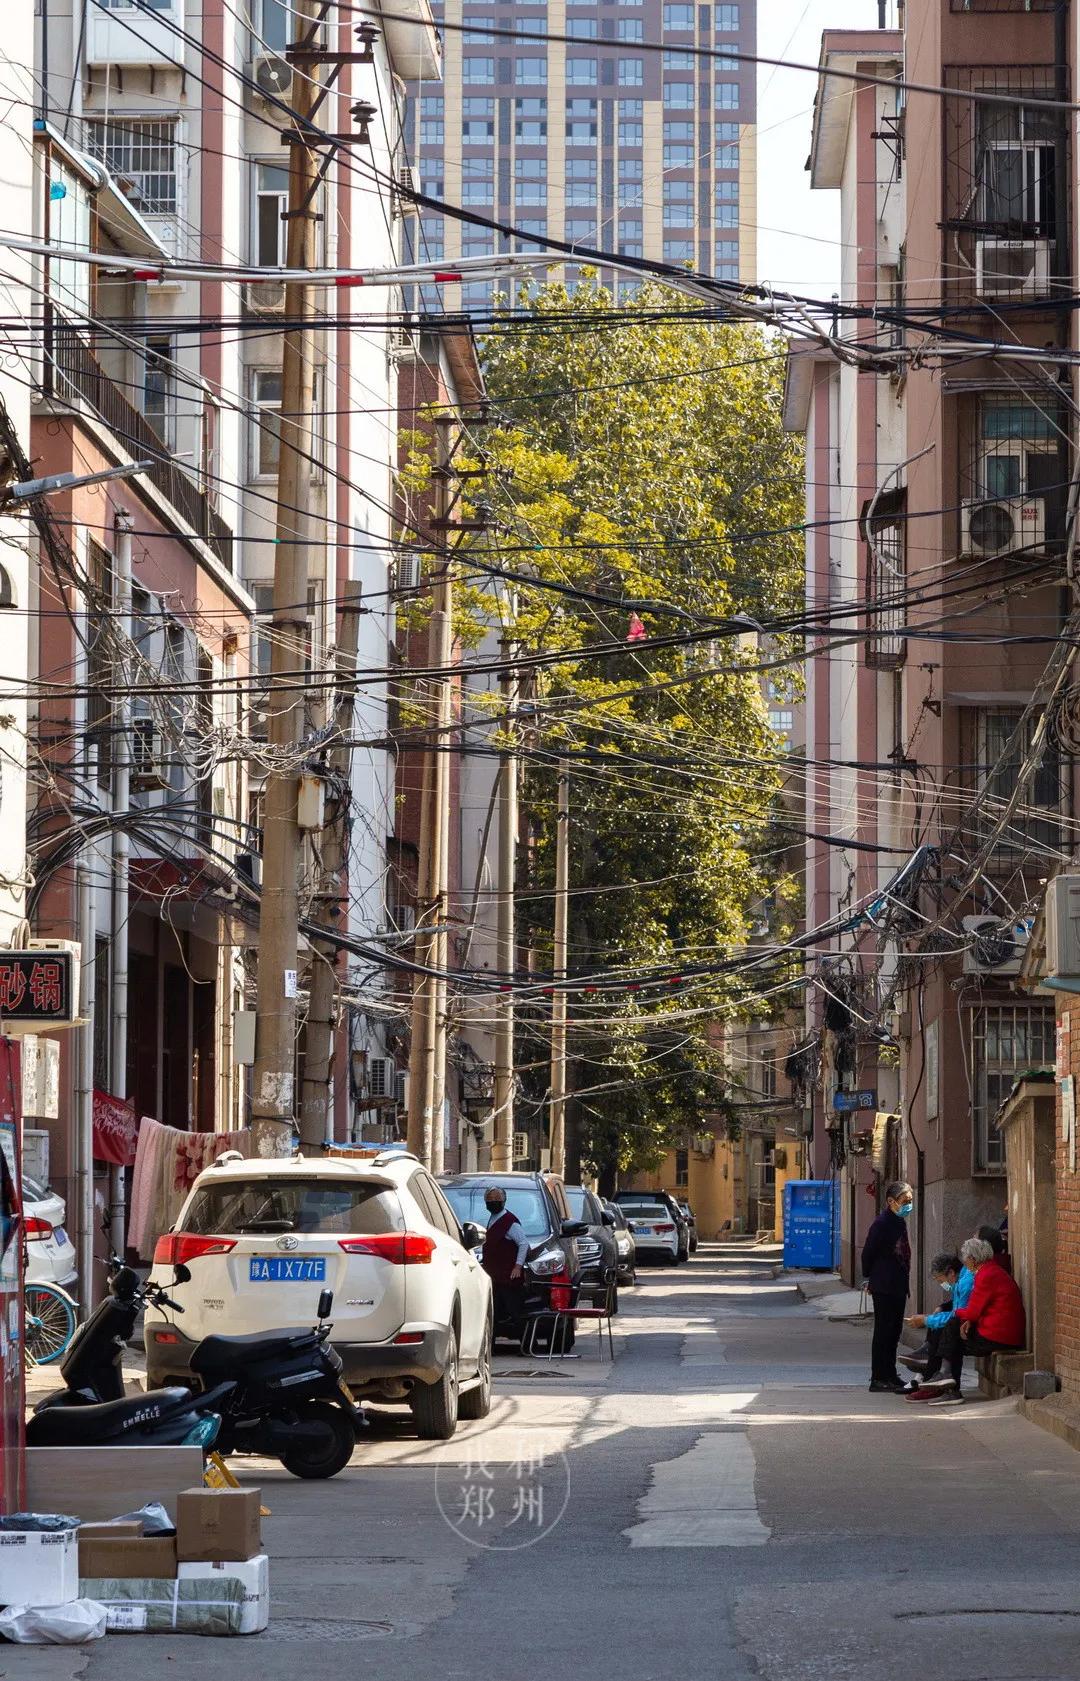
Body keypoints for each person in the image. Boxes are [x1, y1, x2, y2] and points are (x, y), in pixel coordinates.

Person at [906, 1236, 1026, 1406]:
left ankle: (947, 1382)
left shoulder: (985, 1275)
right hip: (1000, 1332)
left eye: (966, 1259)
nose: (965, 1263)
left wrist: (961, 1316)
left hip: (998, 1335)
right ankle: (946, 1380)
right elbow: (975, 1310)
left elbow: (971, 1311)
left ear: (972, 1259)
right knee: (952, 1328)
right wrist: (967, 1318)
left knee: (952, 1326)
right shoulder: (990, 1271)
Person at [860, 1180, 913, 1393]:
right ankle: (879, 1377)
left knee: (894, 1332)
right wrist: (871, 1278)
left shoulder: (898, 1222)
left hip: (898, 1284)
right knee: (884, 1331)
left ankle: (890, 1374)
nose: (908, 1205)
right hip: (884, 1285)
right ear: (891, 1201)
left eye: (910, 1201)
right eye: (904, 1201)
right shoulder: (882, 1223)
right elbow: (868, 1253)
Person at [901, 1251, 973, 1382]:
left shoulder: (965, 1283)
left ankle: (933, 1372)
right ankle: (926, 1364)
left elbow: (957, 1316)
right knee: (937, 1320)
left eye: (940, 1280)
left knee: (942, 1328)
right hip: (964, 1321)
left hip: (971, 1326)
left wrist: (926, 1320)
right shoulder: (960, 1281)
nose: (942, 1284)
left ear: (951, 1272)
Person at [480, 1186, 530, 1341]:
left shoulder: (510, 1222)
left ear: (504, 1201)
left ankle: (528, 1343)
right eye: (490, 1199)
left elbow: (523, 1243)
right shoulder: (492, 1219)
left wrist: (518, 1266)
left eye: (497, 1199)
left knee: (515, 1311)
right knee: (495, 1312)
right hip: (495, 1276)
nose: (493, 1202)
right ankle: (492, 1345)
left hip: (509, 1277)